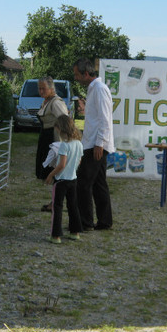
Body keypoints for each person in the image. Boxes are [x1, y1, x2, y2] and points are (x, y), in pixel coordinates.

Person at [73, 58, 114, 230]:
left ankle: (85, 222)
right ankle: (104, 222)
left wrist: (99, 144)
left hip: (96, 145)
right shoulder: (95, 89)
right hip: (93, 143)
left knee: (83, 183)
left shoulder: (99, 89)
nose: (75, 78)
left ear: (86, 74)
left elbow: (105, 119)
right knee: (98, 184)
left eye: (77, 74)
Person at [44, 115, 83, 244]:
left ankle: (55, 235)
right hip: (73, 179)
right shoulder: (78, 143)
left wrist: (51, 174)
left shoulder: (64, 146)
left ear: (60, 129)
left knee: (57, 207)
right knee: (73, 206)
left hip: (61, 181)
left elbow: (61, 165)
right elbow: (79, 161)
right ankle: (75, 232)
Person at [35, 76, 69, 212]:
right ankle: (55, 201)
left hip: (55, 139)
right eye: (39, 88)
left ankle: (56, 202)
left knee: (57, 172)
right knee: (53, 172)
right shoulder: (47, 101)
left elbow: (65, 122)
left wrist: (65, 143)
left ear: (51, 88)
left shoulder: (56, 103)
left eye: (44, 88)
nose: (41, 91)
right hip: (47, 137)